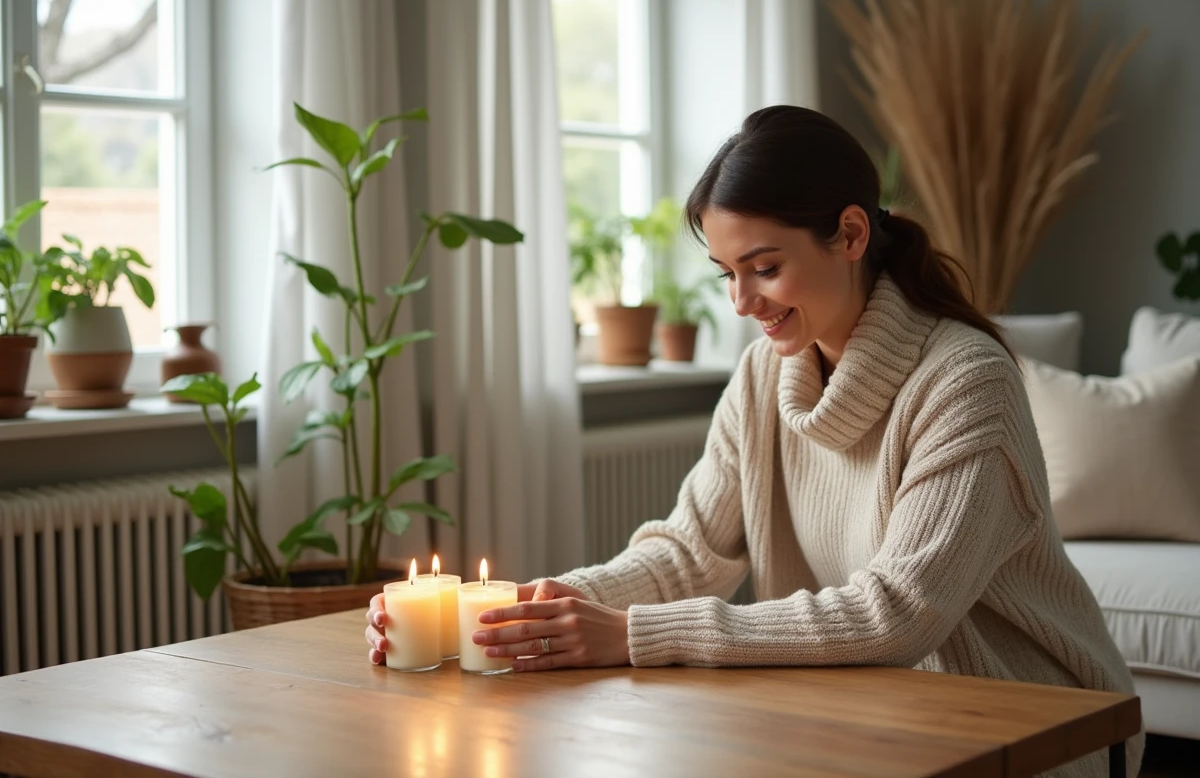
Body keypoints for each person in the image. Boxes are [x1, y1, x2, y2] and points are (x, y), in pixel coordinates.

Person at [365, 106, 1141, 777]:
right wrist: (543, 607)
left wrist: (631, 636)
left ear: (850, 234)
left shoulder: (967, 381)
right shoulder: (764, 374)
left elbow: (899, 614)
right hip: (870, 712)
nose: (742, 302)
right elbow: (687, 552)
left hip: (1031, 722)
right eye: (725, 274)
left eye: (763, 268)